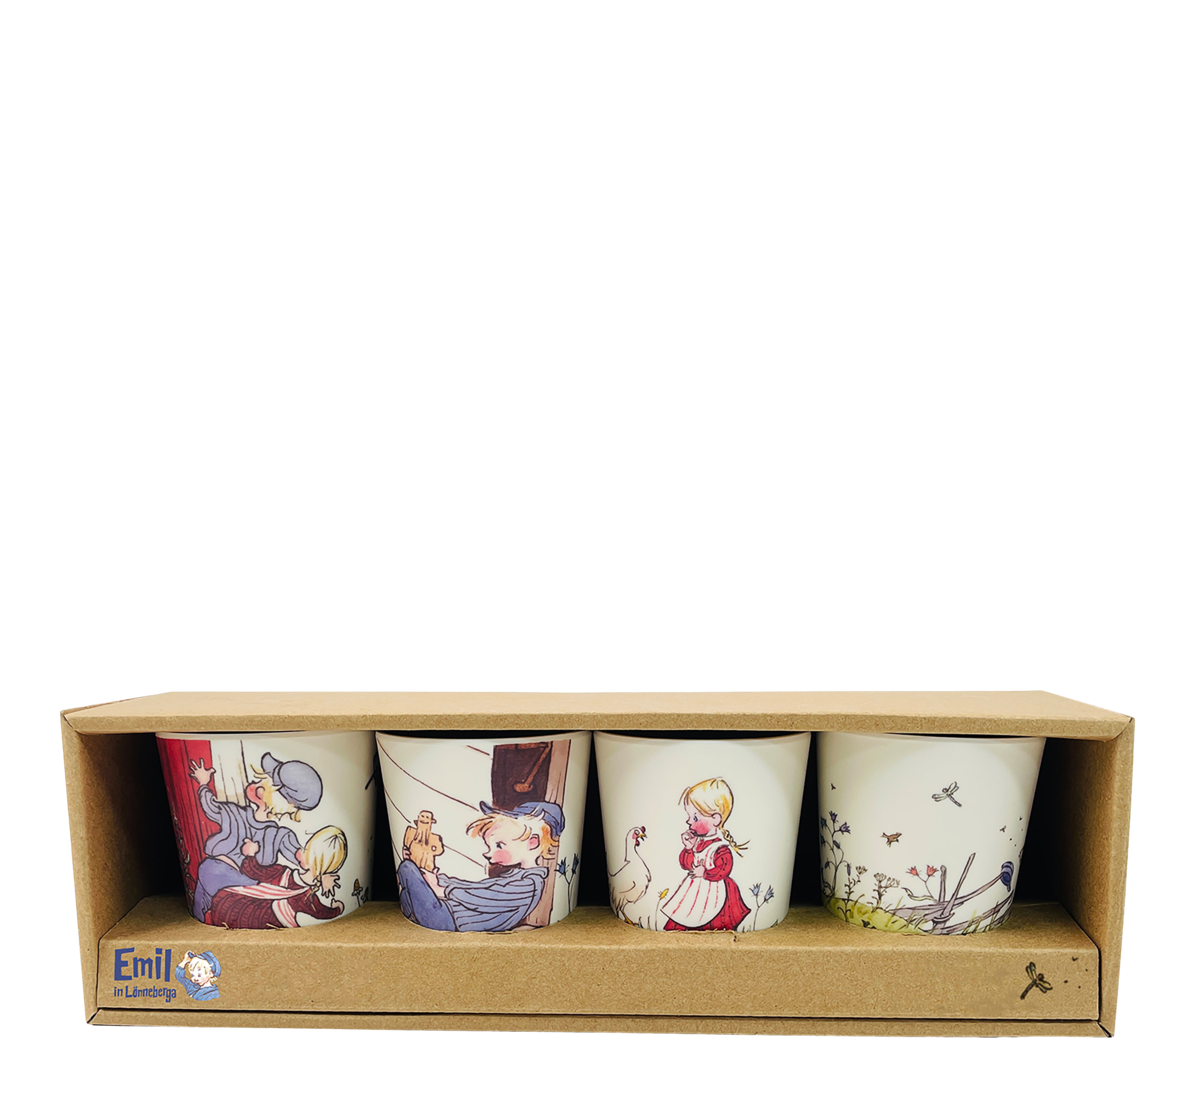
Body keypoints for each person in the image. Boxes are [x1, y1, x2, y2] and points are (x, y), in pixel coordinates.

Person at [190, 753, 323, 922]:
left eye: (263, 782)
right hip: (214, 871)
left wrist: (319, 870)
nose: (255, 783)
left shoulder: (280, 835)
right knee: (201, 906)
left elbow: (301, 857)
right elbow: (211, 807)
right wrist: (203, 784)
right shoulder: (235, 812)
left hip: (243, 885)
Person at [398, 801, 562, 932]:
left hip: (448, 920)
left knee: (408, 869)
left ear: (532, 843)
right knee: (411, 881)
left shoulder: (529, 885)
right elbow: (473, 887)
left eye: (499, 845)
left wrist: (443, 890)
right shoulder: (515, 877)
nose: (488, 853)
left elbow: (484, 898)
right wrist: (439, 880)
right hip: (446, 914)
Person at [209, 827, 347, 929]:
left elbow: (253, 870)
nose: (299, 851)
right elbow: (322, 912)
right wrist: (338, 908)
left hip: (242, 911)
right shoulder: (308, 897)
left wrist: (250, 853)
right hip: (271, 924)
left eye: (305, 850)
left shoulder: (281, 872)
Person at [660, 778, 751, 931]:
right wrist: (689, 848)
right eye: (689, 816)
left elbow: (724, 868)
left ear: (715, 819)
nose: (689, 821)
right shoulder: (697, 842)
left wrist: (706, 873)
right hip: (695, 889)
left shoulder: (720, 847)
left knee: (714, 918)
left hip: (715, 890)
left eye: (695, 817)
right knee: (687, 912)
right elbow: (686, 864)